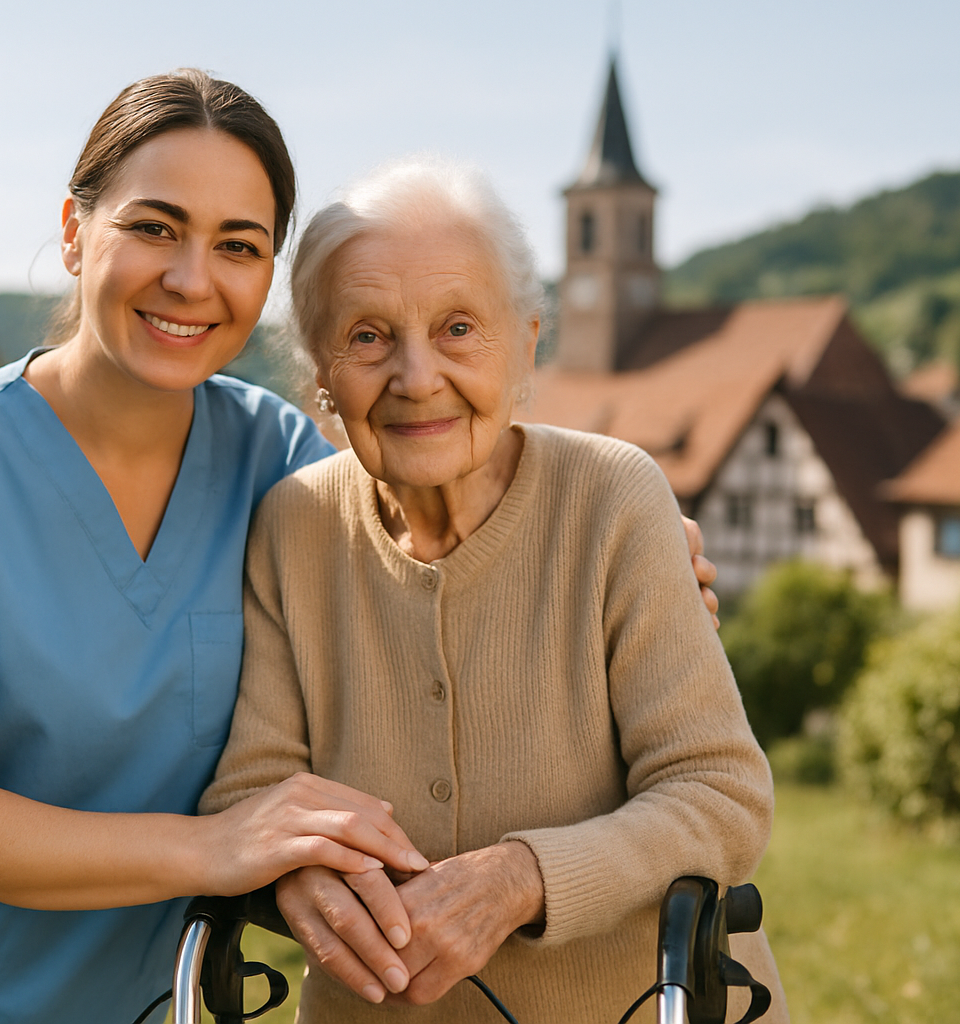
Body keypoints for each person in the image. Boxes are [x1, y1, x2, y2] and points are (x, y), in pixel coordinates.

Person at [0, 72, 719, 1023]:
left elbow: (446, 515)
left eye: (238, 245)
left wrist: (643, 547)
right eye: (154, 227)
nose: (192, 278)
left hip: (133, 994)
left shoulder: (280, 465)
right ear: (78, 232)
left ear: (268, 282)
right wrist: (215, 849)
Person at [201, 158, 788, 1022]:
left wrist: (522, 878)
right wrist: (305, 870)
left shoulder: (614, 496)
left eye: (458, 328)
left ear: (526, 345)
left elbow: (720, 793)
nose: (416, 376)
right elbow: (251, 789)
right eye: (366, 336)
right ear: (317, 378)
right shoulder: (292, 526)